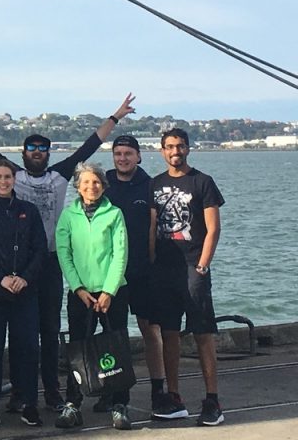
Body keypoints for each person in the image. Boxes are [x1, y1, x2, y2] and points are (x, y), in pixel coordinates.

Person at [0, 86, 134, 410]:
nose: (37, 152)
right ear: (24, 154)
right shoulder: (12, 176)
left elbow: (91, 144)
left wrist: (116, 116)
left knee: (50, 329)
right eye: (32, 148)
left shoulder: (60, 176)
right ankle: (18, 392)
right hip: (21, 263)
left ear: (49, 152)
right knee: (20, 334)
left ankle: (53, 391)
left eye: (43, 147)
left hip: (51, 263)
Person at [149, 129, 225, 426]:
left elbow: (213, 228)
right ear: (162, 151)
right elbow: (152, 228)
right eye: (169, 147)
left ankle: (212, 400)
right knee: (168, 333)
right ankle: (174, 396)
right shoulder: (155, 184)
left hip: (194, 267)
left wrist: (203, 266)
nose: (175, 151)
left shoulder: (202, 182)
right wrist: (152, 262)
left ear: (188, 149)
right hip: (165, 271)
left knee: (202, 333)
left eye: (180, 146)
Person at [53, 162, 130, 431]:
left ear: (103, 185)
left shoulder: (115, 214)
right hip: (81, 294)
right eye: (85, 182)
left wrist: (108, 291)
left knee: (116, 347)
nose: (91, 187)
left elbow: (120, 254)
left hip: (113, 293)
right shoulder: (68, 216)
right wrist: (78, 288)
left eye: (96, 182)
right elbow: (65, 254)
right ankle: (73, 404)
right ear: (77, 186)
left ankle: (119, 404)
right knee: (78, 350)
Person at [0, 158, 47, 430]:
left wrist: (24, 278)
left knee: (27, 348)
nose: (3, 182)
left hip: (25, 292)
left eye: (8, 177)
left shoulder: (29, 210)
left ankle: (28, 403)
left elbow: (40, 249)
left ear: (15, 180)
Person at [104, 135, 165, 416]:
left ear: (138, 157)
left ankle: (158, 390)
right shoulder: (103, 183)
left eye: (128, 153)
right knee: (112, 335)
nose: (123, 158)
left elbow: (157, 230)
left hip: (143, 271)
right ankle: (114, 392)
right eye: (118, 153)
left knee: (150, 330)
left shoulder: (150, 185)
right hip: (110, 274)